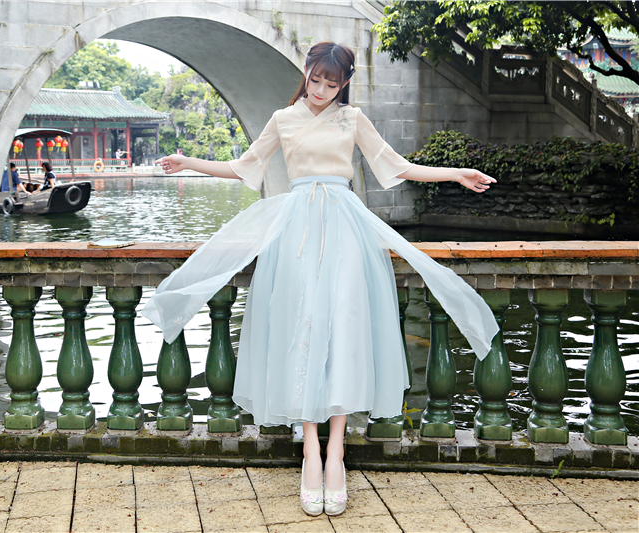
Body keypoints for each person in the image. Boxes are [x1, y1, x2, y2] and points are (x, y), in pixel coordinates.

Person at [146, 42, 499, 517]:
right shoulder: (283, 118)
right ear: (307, 73)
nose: (321, 90)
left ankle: (337, 452)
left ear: (344, 83)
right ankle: (311, 450)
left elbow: (397, 165)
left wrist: (456, 173)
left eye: (332, 84)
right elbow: (244, 167)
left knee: (343, 331)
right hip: (295, 231)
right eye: (316, 80)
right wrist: (189, 162)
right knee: (303, 329)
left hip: (346, 229)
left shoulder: (351, 119)